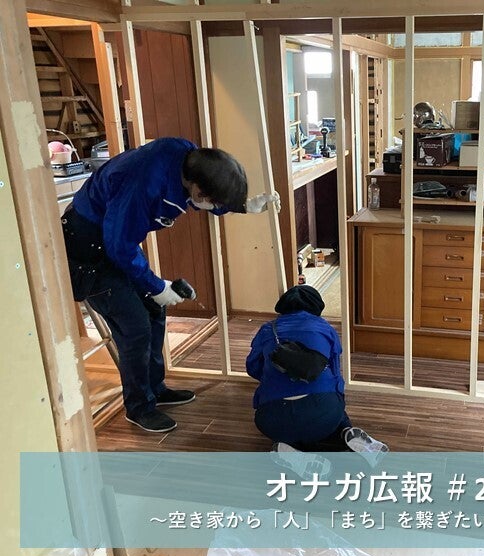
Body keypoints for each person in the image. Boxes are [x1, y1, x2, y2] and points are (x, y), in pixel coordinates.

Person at [61, 137, 279, 433]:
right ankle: (139, 407)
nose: (213, 207)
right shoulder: (143, 184)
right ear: (198, 189)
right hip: (87, 251)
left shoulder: (189, 159)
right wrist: (156, 285)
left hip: (113, 240)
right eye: (214, 202)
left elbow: (199, 198)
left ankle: (155, 389)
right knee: (135, 327)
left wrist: (240, 206)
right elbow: (119, 246)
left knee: (154, 309)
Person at [246, 285, 388, 464]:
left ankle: (288, 447)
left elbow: (252, 367)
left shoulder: (267, 330)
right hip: (323, 414)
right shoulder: (325, 329)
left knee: (285, 425)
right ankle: (346, 431)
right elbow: (336, 374)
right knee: (331, 405)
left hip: (271, 420)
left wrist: (273, 377)